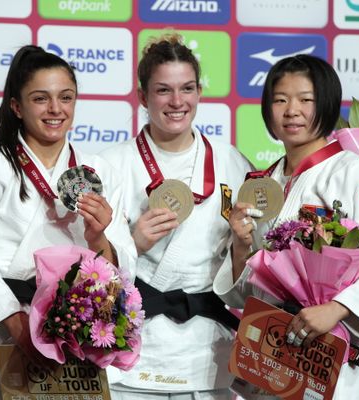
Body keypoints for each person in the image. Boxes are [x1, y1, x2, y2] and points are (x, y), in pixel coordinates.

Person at [213, 54, 359, 399]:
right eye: (280, 100)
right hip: (273, 360)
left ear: (326, 103)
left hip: (334, 361)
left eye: (305, 100)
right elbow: (245, 295)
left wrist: (335, 309)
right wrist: (241, 246)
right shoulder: (264, 184)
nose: (292, 111)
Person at [0, 45, 136, 398]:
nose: (56, 109)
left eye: (66, 97)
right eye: (41, 98)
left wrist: (99, 238)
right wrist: (20, 327)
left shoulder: (99, 170)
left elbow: (122, 266)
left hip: (78, 340)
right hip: (10, 336)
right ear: (17, 106)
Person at [100, 33, 252, 399]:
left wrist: (243, 246)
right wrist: (131, 243)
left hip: (207, 353)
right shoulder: (110, 165)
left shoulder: (232, 162)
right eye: (163, 90)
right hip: (133, 351)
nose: (177, 101)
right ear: (142, 96)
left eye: (187, 88)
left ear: (200, 91)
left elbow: (247, 271)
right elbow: (87, 268)